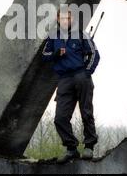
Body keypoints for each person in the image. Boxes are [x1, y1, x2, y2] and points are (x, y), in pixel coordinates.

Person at [41, 9, 100, 163]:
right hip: (64, 79)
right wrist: (56, 54)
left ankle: (89, 147)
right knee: (60, 117)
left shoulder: (81, 34)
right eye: (62, 18)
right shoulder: (53, 36)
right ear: (58, 19)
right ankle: (71, 148)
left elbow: (94, 54)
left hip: (81, 76)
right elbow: (44, 55)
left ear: (71, 18)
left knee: (86, 112)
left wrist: (87, 72)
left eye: (68, 17)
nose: (65, 20)